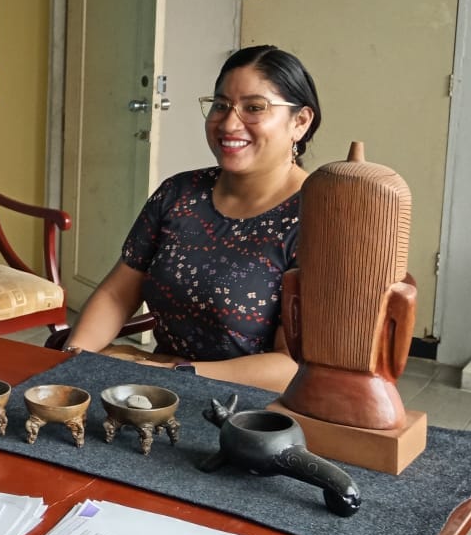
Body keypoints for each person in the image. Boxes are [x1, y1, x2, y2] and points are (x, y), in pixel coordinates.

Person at [63, 45, 321, 390]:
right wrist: (74, 357)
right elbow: (117, 294)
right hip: (160, 393)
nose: (229, 123)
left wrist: (175, 372)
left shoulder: (315, 220)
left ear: (300, 122)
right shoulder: (180, 193)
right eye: (221, 105)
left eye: (254, 108)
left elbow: (292, 366)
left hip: (251, 408)